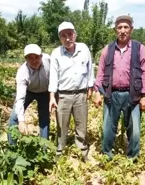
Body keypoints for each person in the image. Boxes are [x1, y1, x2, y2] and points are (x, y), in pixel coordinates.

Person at [93, 15, 145, 161]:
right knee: (108, 129)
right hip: (111, 94)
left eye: (126, 27)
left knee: (135, 130)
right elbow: (100, 72)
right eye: (119, 27)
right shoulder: (108, 49)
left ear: (131, 29)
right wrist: (97, 92)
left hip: (133, 94)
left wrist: (144, 96)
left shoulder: (139, 48)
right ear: (115, 30)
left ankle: (132, 157)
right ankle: (107, 155)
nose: (122, 30)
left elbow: (144, 73)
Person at [48, 21, 94, 161]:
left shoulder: (84, 49)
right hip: (63, 95)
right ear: (59, 38)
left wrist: (90, 87)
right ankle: (60, 149)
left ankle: (82, 149)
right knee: (62, 124)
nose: (67, 38)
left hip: (80, 93)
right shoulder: (56, 53)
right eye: (63, 36)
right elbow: (53, 77)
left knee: (81, 123)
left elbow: (90, 69)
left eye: (70, 34)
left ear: (75, 34)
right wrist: (52, 97)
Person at [7, 44, 51, 144]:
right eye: (30, 58)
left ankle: (44, 149)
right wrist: (21, 121)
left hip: (44, 92)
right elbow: (20, 98)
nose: (34, 61)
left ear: (41, 56)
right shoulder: (22, 72)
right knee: (14, 118)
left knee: (44, 120)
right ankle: (11, 147)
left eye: (37, 57)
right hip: (29, 92)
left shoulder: (49, 60)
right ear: (26, 59)